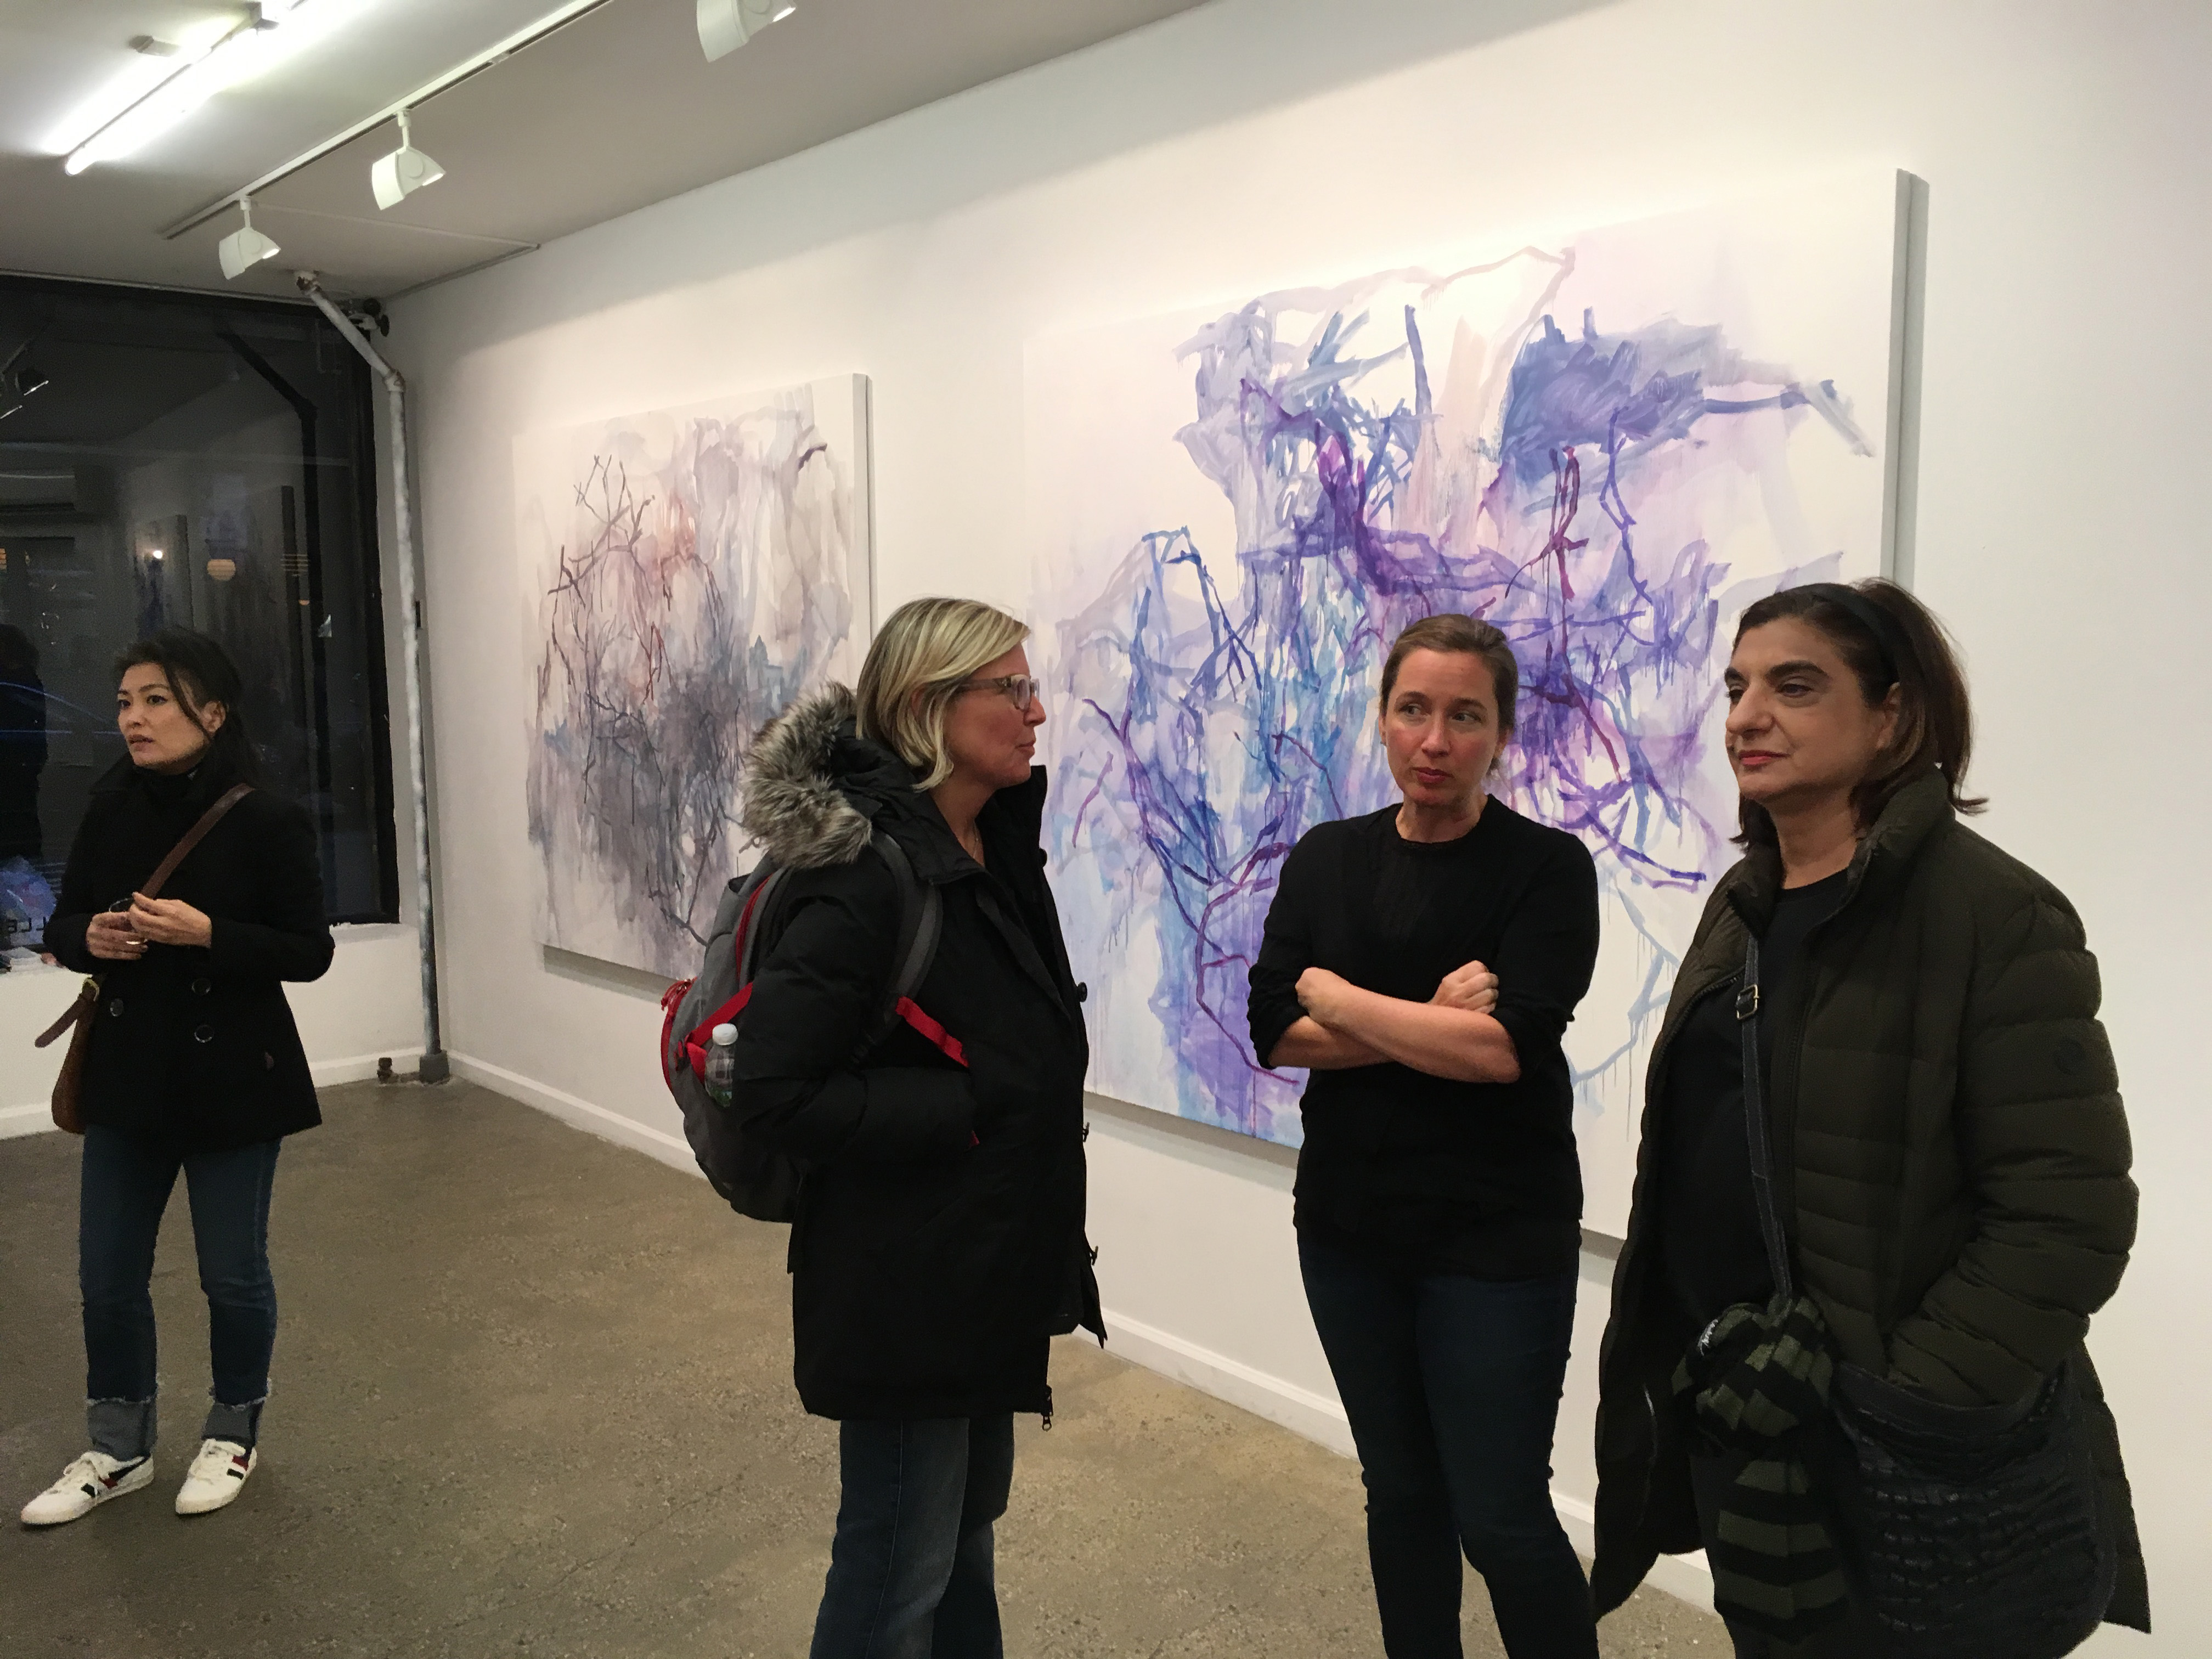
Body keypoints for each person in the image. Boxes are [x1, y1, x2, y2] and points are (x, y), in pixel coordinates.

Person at [1588, 579, 2147, 1654]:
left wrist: (1898, 1403)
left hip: (1889, 1450)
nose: (1748, 717)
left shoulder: (1998, 915)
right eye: (1737, 688)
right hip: (1746, 1417)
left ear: (1894, 715)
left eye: (1795, 686)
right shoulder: (1743, 905)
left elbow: (2067, 1218)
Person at [730, 596, 1102, 1659]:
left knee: (960, 1541)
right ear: (932, 706)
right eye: (1012, 689)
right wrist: (958, 1109)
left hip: (983, 1263)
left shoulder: (992, 843)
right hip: (905, 1283)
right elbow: (771, 1084)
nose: (1037, 713)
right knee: (896, 1570)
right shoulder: (864, 874)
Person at [1247, 613, 1602, 1659]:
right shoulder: (1328, 858)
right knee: (1400, 1491)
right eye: (1413, 709)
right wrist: (1426, 1018)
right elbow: (1274, 1029)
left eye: (1465, 716)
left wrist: (1343, 999)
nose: (1435, 740)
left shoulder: (1546, 868)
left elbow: (1502, 1052)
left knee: (1499, 1514)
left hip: (1497, 1240)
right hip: (1349, 1232)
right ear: (1383, 718)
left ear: (1502, 734)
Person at [20, 628, 334, 1527]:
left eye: (156, 699)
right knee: (107, 1276)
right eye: (125, 702)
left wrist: (209, 935)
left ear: (214, 712)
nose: (135, 718)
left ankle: (233, 1433)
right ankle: (119, 1448)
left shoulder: (267, 819)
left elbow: (308, 952)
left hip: (234, 1078)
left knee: (231, 1275)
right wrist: (90, 937)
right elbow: (64, 922)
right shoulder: (110, 803)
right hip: (127, 1077)